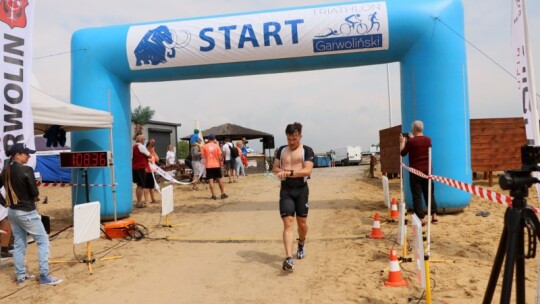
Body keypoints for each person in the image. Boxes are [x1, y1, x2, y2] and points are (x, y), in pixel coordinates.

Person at [1, 143, 62, 285]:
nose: (29, 156)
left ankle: (21, 275)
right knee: (43, 242)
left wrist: (4, 202)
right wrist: (33, 196)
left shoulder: (6, 171)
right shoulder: (26, 170)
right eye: (26, 153)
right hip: (27, 211)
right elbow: (35, 193)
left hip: (12, 212)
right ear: (17, 155)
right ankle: (44, 276)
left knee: (19, 244)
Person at [272, 122, 314, 272]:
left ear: (300, 136)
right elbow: (274, 167)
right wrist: (280, 171)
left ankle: (301, 243)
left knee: (301, 224)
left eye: (294, 139)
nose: (291, 142)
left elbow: (307, 171)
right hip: (286, 190)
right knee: (288, 223)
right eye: (289, 139)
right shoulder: (281, 150)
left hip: (301, 190)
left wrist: (289, 172)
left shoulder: (307, 151)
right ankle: (289, 258)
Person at [400, 120, 439, 225]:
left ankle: (421, 218)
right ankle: (434, 215)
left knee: (417, 195)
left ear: (413, 129)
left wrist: (402, 142)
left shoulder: (411, 142)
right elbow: (421, 145)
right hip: (427, 171)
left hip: (415, 171)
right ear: (422, 129)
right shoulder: (428, 140)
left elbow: (403, 153)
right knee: (429, 193)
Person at [201, 134, 228, 200]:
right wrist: (222, 159)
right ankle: (222, 194)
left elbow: (202, 157)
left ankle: (213, 195)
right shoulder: (217, 146)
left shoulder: (204, 146)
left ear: (208, 139)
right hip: (216, 165)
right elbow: (220, 157)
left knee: (210, 180)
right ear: (214, 139)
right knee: (219, 179)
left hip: (208, 165)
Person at [132, 134, 151, 208]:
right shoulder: (141, 146)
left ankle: (138, 202)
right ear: (141, 140)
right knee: (140, 185)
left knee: (138, 185)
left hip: (135, 167)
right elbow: (148, 154)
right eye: (144, 139)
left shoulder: (134, 146)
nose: (144, 141)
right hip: (140, 168)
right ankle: (139, 203)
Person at [144, 139, 160, 204]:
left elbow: (157, 159)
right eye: (152, 146)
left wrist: (154, 151)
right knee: (146, 186)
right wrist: (151, 145)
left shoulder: (153, 152)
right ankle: (146, 200)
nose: (153, 147)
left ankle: (153, 199)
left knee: (151, 186)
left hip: (152, 171)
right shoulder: (146, 151)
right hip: (146, 170)